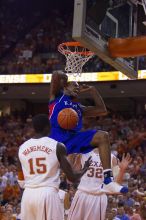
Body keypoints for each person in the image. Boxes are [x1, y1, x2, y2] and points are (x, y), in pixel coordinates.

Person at [49, 71, 128, 194]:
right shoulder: (56, 98)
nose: (77, 87)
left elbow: (102, 110)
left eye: (78, 87)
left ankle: (108, 181)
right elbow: (56, 75)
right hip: (56, 141)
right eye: (74, 85)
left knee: (103, 136)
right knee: (58, 176)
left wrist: (92, 90)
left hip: (73, 139)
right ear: (65, 87)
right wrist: (66, 77)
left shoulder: (79, 107)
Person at [18, 114, 91, 220]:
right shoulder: (57, 146)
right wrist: (84, 169)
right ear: (48, 127)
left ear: (33, 128)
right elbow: (72, 178)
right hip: (48, 194)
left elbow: (21, 181)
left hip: (28, 195)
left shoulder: (21, 147)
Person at [67, 151, 132, 220]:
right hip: (82, 194)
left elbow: (116, 185)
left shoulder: (112, 158)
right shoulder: (83, 153)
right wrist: (73, 159)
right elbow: (71, 179)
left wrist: (122, 170)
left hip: (99, 197)